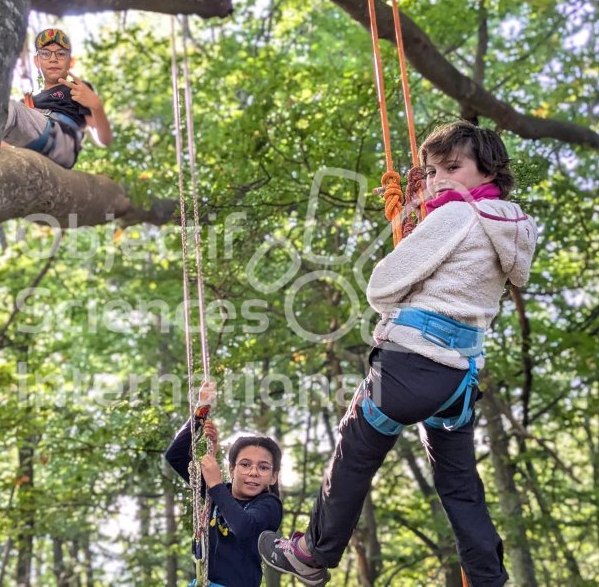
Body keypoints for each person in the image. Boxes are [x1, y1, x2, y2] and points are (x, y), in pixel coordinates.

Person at [258, 121, 538, 587]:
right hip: (459, 378)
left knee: (355, 449)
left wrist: (411, 257)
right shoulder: (516, 225)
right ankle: (488, 578)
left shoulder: (454, 217)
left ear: (487, 169)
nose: (436, 180)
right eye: (430, 171)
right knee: (460, 486)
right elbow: (513, 281)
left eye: (452, 167)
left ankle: (313, 551)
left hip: (410, 365)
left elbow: (381, 286)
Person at [165, 382, 283, 587]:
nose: (253, 472)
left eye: (263, 468)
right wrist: (201, 410)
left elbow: (244, 527)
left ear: (273, 477)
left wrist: (215, 484)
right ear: (232, 469)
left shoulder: (269, 505)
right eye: (245, 464)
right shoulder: (218, 493)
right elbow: (175, 456)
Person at [2, 28, 113, 169]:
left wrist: (96, 106)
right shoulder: (28, 102)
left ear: (71, 62)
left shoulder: (77, 89)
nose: (53, 59)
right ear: (37, 61)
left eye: (60, 54)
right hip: (29, 145)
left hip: (62, 142)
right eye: (46, 54)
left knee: (6, 107)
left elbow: (104, 140)